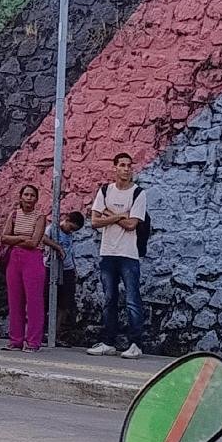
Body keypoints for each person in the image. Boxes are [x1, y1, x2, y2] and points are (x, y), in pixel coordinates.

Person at [88, 152, 149, 360]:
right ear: (114, 167)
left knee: (132, 300)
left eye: (129, 165)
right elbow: (94, 222)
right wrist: (120, 215)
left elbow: (132, 224)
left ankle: (135, 344)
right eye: (122, 165)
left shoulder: (138, 193)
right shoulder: (105, 190)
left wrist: (108, 215)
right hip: (107, 252)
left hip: (128, 254)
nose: (126, 169)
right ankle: (108, 342)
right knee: (109, 299)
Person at [0, 185, 48, 352]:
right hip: (14, 258)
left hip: (33, 258)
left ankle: (33, 341)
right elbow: (4, 237)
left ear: (36, 199)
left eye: (32, 195)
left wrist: (15, 238)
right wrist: (22, 238)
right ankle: (16, 340)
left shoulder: (40, 217)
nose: (28, 198)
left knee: (34, 301)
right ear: (20, 197)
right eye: (26, 195)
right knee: (15, 300)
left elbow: (34, 242)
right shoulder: (14, 215)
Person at [42, 211, 85, 346]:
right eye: (71, 227)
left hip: (67, 269)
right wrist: (58, 247)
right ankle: (40, 332)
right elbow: (42, 238)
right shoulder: (53, 229)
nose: (71, 231)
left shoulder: (70, 235)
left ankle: (55, 333)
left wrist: (75, 269)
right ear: (66, 220)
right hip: (51, 267)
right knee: (45, 301)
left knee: (64, 304)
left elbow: (71, 252)